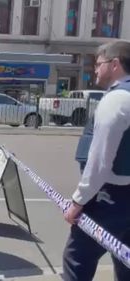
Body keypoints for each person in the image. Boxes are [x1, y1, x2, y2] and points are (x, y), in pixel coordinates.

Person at [63, 41, 130, 281]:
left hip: (110, 198)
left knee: (77, 257)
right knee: (125, 260)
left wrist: (78, 202)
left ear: (115, 64)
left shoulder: (116, 101)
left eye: (98, 64)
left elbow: (100, 162)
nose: (95, 70)